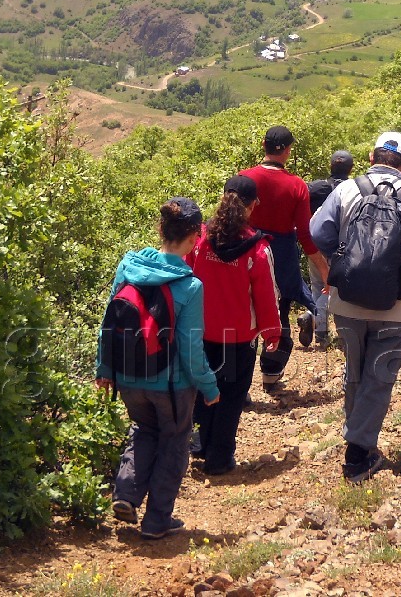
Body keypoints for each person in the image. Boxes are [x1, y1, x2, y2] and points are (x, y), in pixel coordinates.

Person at [310, 132, 401, 482]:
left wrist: (344, 254)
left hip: (346, 301)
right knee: (379, 377)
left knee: (356, 370)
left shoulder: (346, 190)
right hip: (398, 304)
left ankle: (359, 440)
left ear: (372, 155)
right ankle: (358, 456)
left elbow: (318, 232)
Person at [97, 198, 220, 540]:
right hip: (171, 385)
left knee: (143, 429)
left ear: (160, 230)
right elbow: (192, 350)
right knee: (175, 441)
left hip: (128, 377)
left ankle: (125, 494)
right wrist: (209, 388)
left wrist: (104, 368)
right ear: (196, 236)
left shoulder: (128, 266)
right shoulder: (190, 286)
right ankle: (156, 521)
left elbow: (109, 322)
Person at [186, 176, 282, 476]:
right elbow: (267, 297)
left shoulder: (200, 240)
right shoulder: (257, 249)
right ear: (253, 205)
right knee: (231, 396)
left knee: (204, 388)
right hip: (238, 337)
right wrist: (272, 332)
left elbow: (185, 277)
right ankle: (219, 457)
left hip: (201, 331)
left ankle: (200, 444)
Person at [240, 125, 329, 391]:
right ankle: (271, 371)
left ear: (263, 145)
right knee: (279, 313)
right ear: (288, 151)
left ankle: (239, 383)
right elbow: (305, 234)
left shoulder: (244, 178)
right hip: (281, 258)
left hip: (245, 252)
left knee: (244, 314)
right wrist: (324, 270)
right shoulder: (296, 186)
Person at [307, 150, 355, 346]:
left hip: (315, 244)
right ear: (351, 169)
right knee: (337, 289)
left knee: (318, 286)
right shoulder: (355, 189)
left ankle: (318, 325)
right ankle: (331, 329)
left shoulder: (316, 187)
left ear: (330, 166)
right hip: (342, 248)